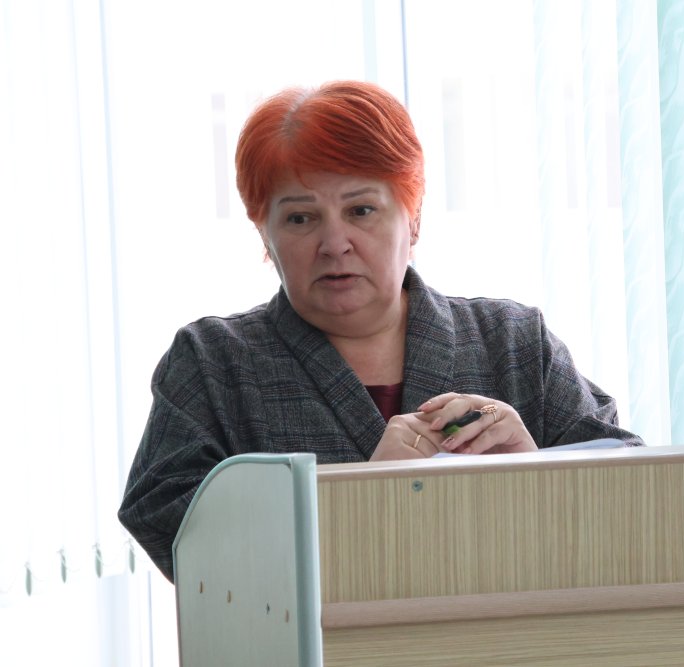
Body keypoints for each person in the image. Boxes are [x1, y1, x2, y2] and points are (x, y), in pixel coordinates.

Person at [118, 80, 643, 581]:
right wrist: (358, 501)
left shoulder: (514, 341)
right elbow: (172, 531)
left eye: (361, 210)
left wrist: (537, 473)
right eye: (300, 219)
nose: (334, 244)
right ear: (264, 232)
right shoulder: (212, 362)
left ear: (413, 220)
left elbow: (634, 497)